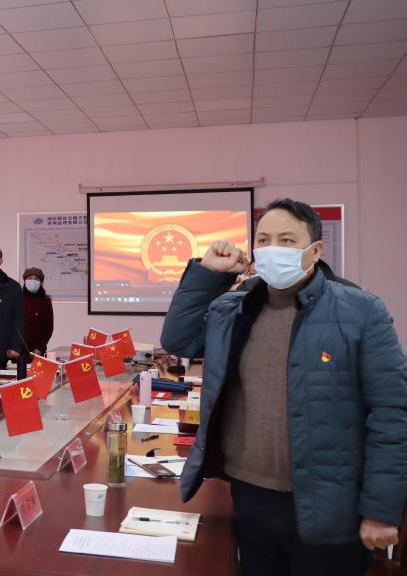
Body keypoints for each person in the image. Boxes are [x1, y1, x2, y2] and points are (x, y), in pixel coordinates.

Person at [160, 198, 407, 576]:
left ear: (315, 250)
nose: (274, 249)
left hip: (330, 506)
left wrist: (380, 510)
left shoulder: (360, 311)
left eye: (287, 240)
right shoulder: (235, 308)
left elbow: (392, 412)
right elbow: (179, 340)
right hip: (249, 495)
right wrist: (208, 274)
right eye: (264, 240)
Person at [21, 267, 54, 357]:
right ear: (25, 281)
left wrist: (40, 348)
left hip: (38, 352)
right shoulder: (17, 299)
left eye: (36, 279)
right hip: (18, 351)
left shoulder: (46, 302)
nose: (33, 281)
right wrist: (13, 347)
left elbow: (49, 328)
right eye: (30, 278)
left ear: (41, 282)